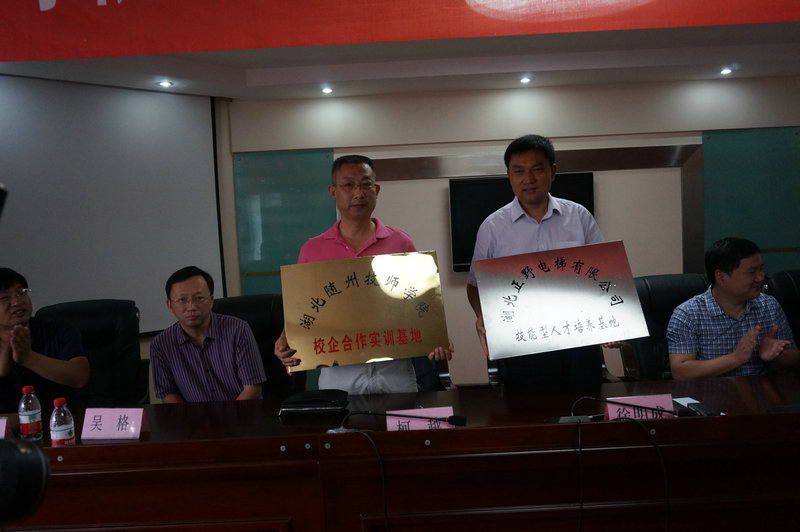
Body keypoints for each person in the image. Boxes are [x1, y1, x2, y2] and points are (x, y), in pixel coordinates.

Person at [274, 154, 453, 394]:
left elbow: (419, 303)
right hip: (338, 372)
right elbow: (301, 310)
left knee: (400, 419)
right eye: (348, 185)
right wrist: (285, 338)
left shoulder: (400, 243)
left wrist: (436, 337)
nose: (358, 193)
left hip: (395, 370)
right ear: (333, 192)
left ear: (376, 190)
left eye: (366, 184)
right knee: (343, 420)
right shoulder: (312, 250)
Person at [466, 134, 604, 389]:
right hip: (521, 344)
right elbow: (475, 285)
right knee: (528, 411)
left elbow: (602, 273)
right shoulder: (492, 227)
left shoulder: (579, 217)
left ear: (553, 172)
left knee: (586, 406)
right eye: (519, 171)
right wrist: (482, 315)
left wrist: (612, 316)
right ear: (509, 175)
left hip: (579, 340)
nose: (528, 179)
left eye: (537, 169)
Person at [667, 237, 798, 379]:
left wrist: (777, 355)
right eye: (752, 272)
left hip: (761, 391)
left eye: (761, 269)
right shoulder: (688, 314)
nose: (760, 278)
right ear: (721, 277)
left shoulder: (769, 305)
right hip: (712, 391)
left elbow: (794, 356)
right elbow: (681, 372)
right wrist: (736, 358)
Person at [151, 266, 266, 402]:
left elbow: (252, 389)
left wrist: (228, 415)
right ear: (169, 305)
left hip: (242, 413)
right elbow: (167, 393)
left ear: (211, 300)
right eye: (182, 300)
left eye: (199, 298)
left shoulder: (238, 330)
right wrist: (189, 416)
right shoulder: (161, 344)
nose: (191, 307)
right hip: (193, 416)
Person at [0, 268, 90, 413]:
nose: (17, 301)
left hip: (61, 420)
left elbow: (80, 376)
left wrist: (28, 358)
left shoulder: (59, 329)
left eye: (21, 292)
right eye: (5, 298)